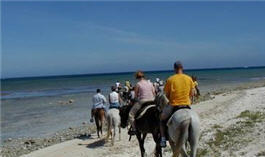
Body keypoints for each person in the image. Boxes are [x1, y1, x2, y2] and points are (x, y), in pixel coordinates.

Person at [160, 61, 195, 147]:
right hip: (187, 105)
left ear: (174, 68)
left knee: (161, 119)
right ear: (182, 68)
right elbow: (192, 93)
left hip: (174, 105)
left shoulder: (170, 79)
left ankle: (163, 139)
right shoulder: (189, 78)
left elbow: (166, 95)